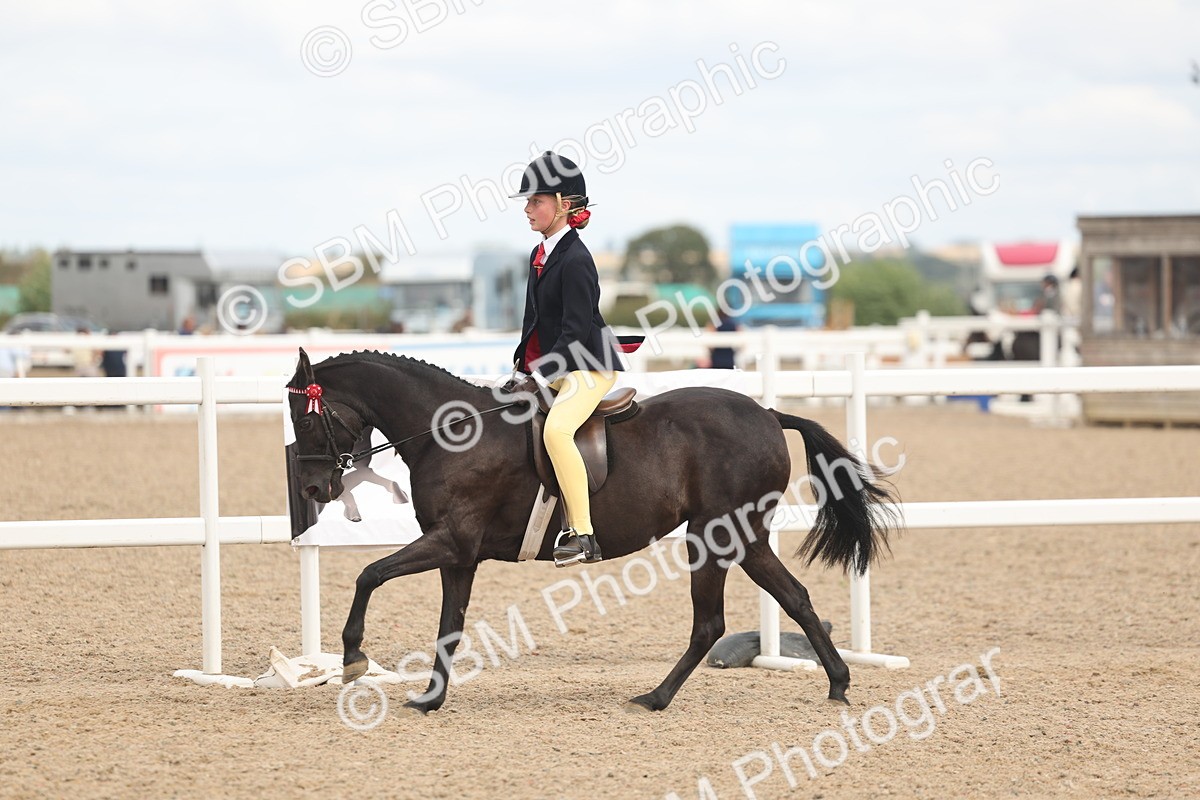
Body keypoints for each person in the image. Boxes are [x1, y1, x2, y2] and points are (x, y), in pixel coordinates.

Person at [503, 151, 626, 568]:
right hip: (554, 366)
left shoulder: (575, 259)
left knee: (557, 431)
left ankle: (584, 535)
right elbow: (533, 320)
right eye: (528, 201)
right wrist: (521, 366)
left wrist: (543, 372)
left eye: (535, 201)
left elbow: (575, 330)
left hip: (586, 366)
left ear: (564, 204)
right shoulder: (541, 255)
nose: (527, 209)